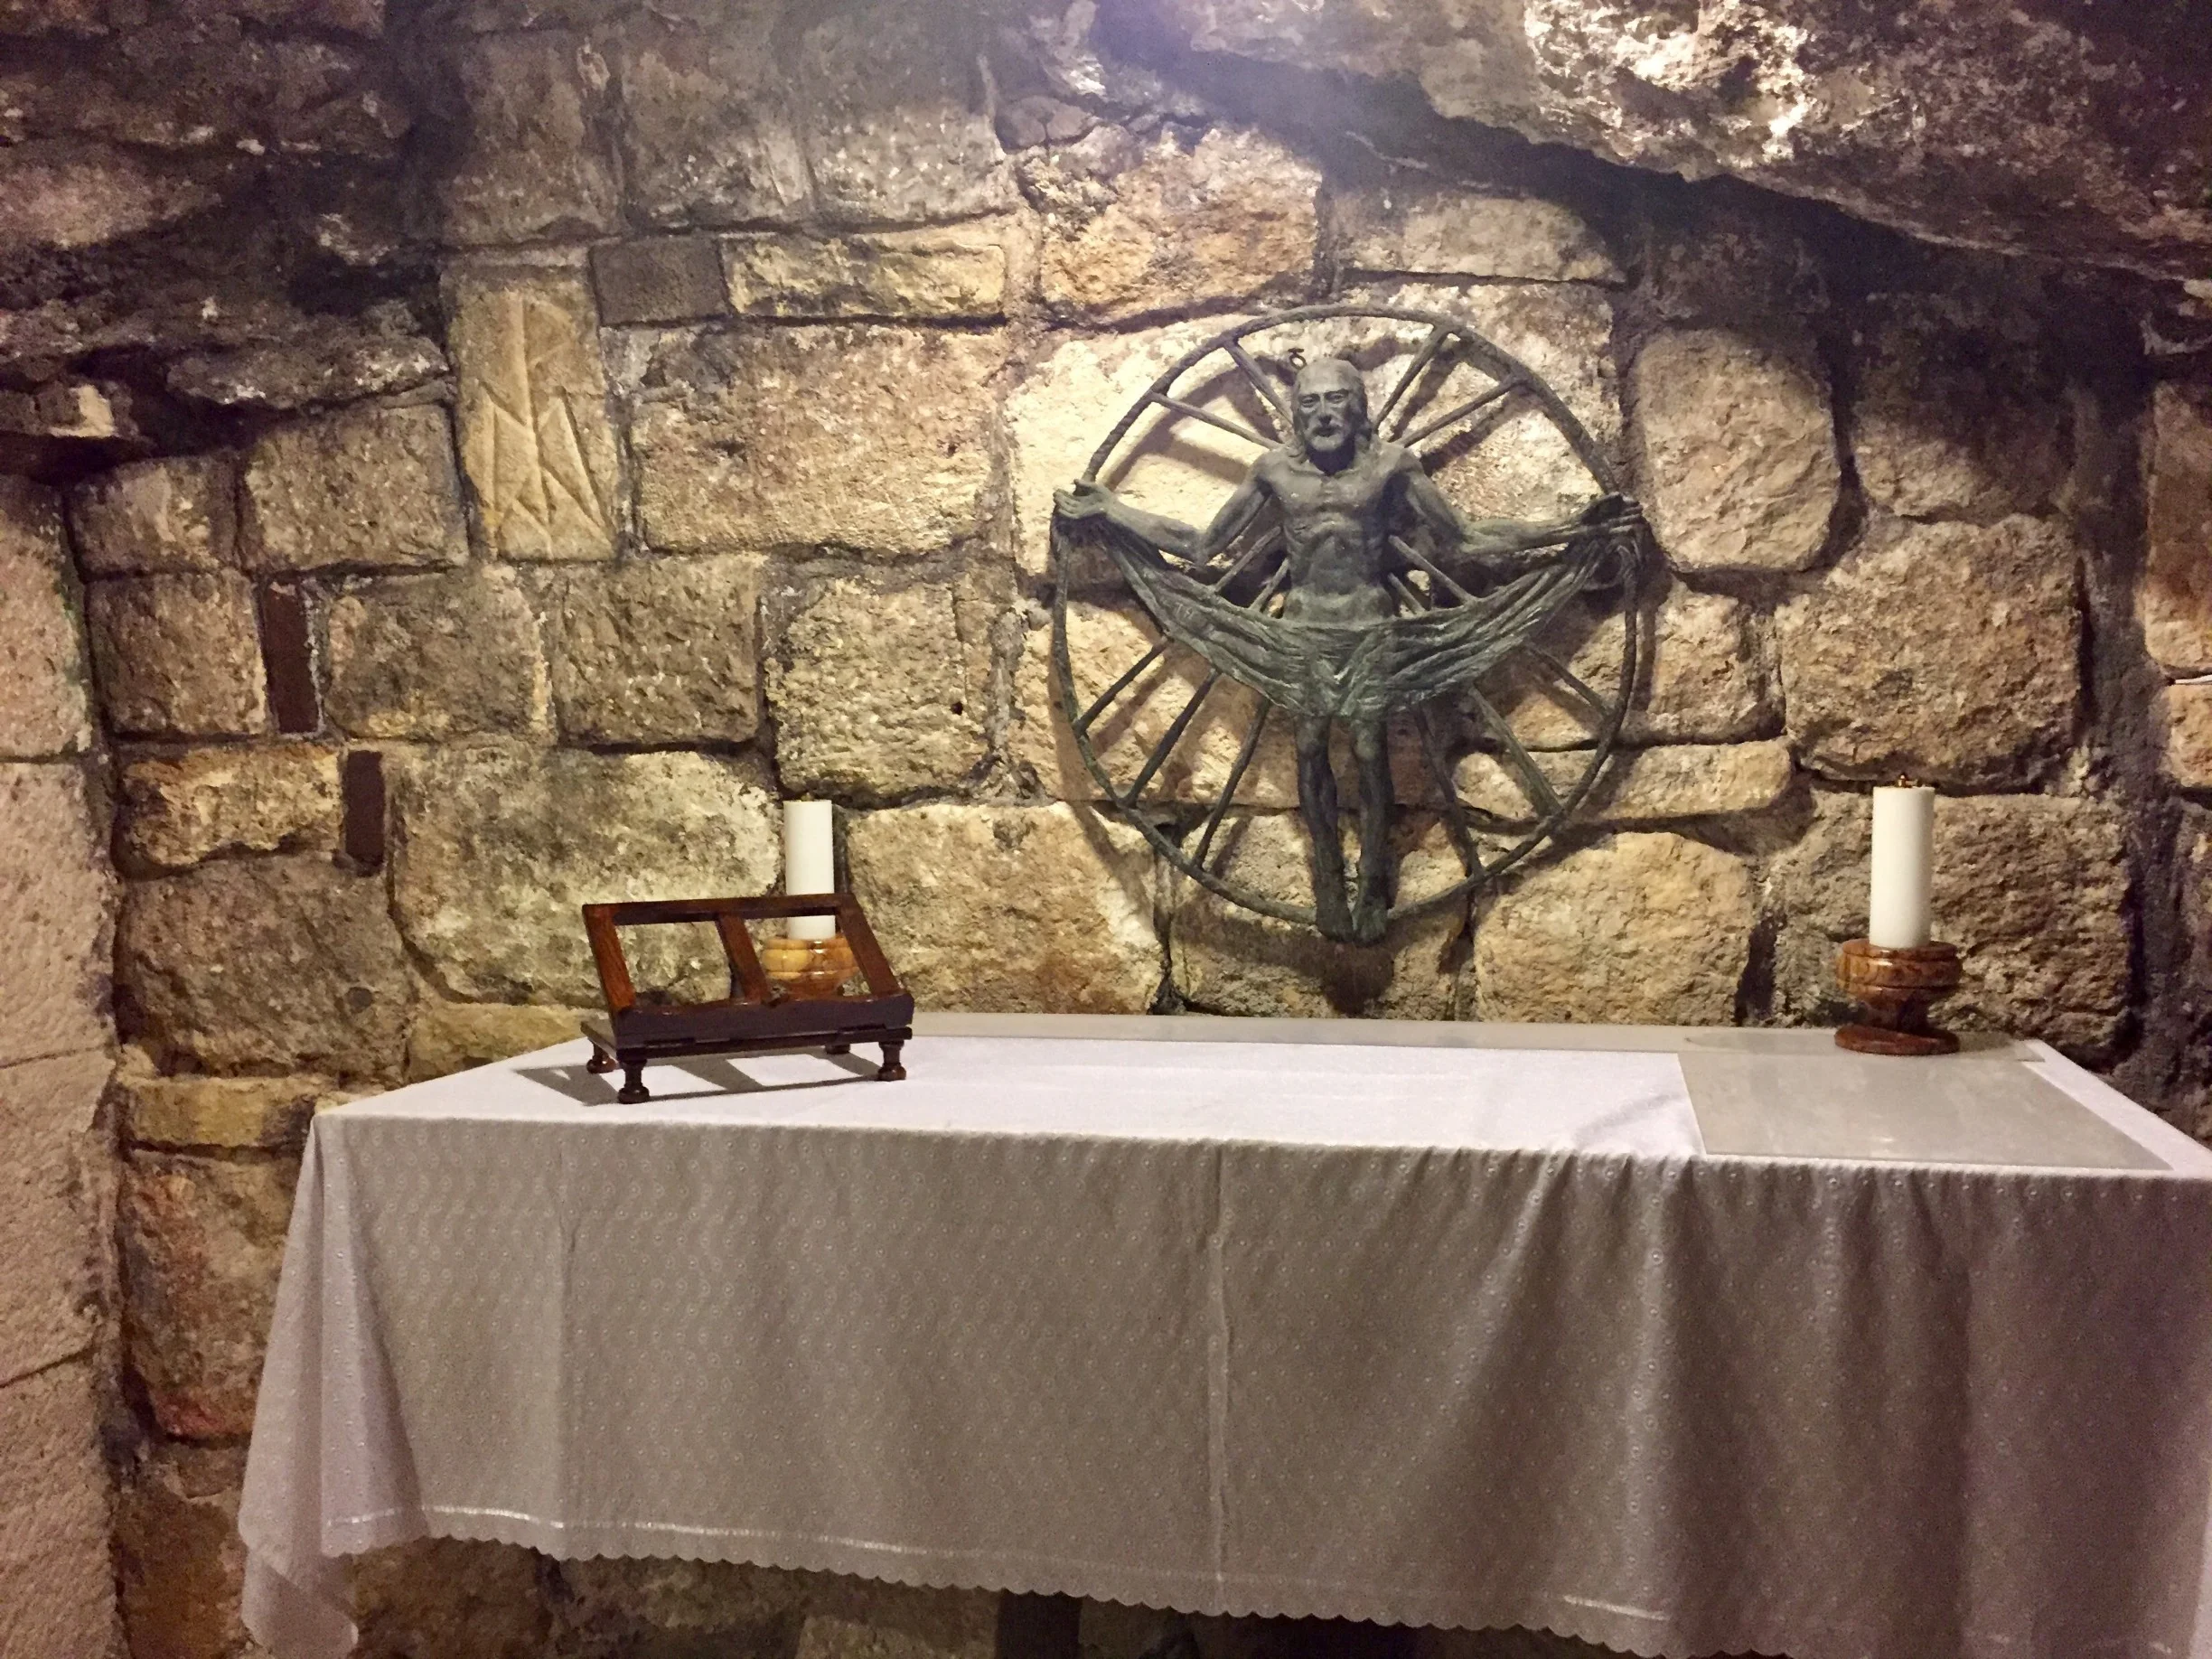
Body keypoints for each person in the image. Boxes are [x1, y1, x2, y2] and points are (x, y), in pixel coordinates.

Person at [1056, 354, 1636, 942]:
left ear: (1358, 409)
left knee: (1367, 748)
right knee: (1309, 747)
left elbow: (1466, 539)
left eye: (1336, 400)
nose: (1324, 414)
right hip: (1303, 632)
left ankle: (1374, 879)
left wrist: (1573, 528)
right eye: (1310, 403)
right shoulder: (1274, 472)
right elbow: (1203, 545)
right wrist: (1113, 511)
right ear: (1295, 414)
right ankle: (1329, 882)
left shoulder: (1390, 467)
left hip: (1371, 630)